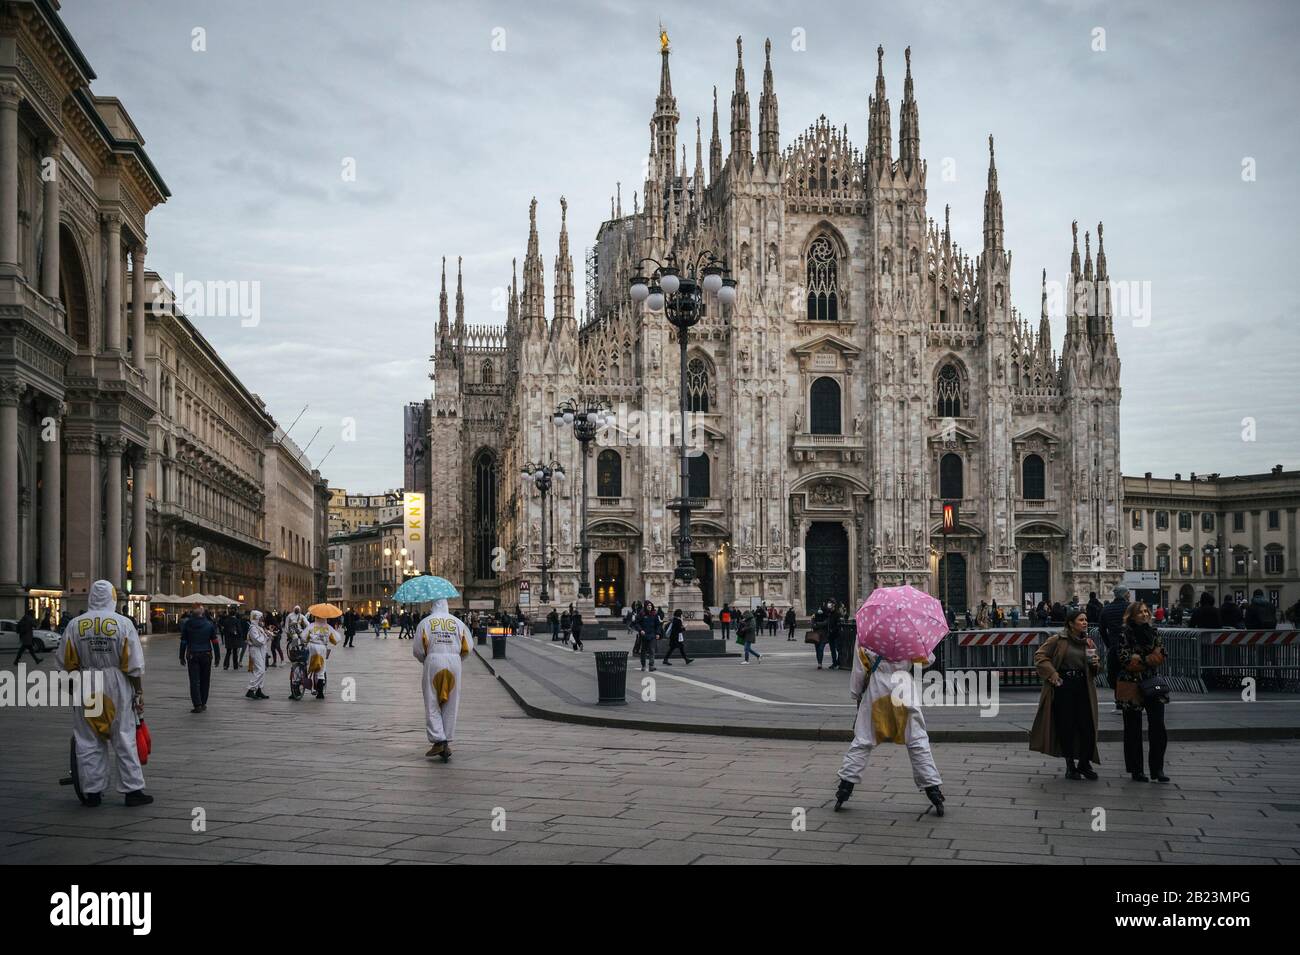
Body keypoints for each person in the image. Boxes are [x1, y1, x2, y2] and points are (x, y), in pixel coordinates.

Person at [60, 580, 153, 807]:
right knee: (123, 736)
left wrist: (73, 689)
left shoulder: (75, 624)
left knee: (88, 739)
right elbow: (133, 664)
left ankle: (92, 792)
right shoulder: (123, 623)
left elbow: (65, 662)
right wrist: (138, 692)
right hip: (117, 682)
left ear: (91, 597)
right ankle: (132, 790)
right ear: (112, 598)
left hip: (87, 681)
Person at [834, 639, 944, 817]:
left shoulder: (867, 632)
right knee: (917, 739)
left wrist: (856, 693)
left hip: (877, 689)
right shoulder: (909, 630)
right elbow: (927, 659)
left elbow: (859, 668)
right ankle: (933, 790)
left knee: (863, 739)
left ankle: (845, 787)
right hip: (903, 688)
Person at [1031, 609, 1102, 780]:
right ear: (1071, 623)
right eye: (1081, 620)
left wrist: (1096, 664)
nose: (1085, 622)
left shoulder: (1089, 643)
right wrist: (1053, 674)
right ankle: (1071, 765)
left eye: (1086, 619)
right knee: (1067, 726)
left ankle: (1084, 763)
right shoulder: (1058, 639)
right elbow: (1040, 656)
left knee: (1088, 727)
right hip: (1064, 685)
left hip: (1083, 685)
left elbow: (1096, 669)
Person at [412, 597, 473, 761]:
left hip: (433, 660)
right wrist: (457, 658)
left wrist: (426, 659)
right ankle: (447, 739)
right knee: (451, 702)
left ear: (433, 606)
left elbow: (418, 649)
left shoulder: (425, 622)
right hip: (454, 662)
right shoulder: (457, 623)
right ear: (446, 606)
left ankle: (438, 739)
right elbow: (468, 647)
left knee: (432, 701)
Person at [1116, 602, 1169, 782]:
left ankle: (1158, 769)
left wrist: (1142, 659)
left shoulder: (1154, 632)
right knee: (1132, 729)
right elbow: (1125, 660)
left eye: (1146, 611)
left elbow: (1161, 655)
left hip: (1153, 684)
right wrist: (1149, 659)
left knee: (1158, 727)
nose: (1145, 614)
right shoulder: (1124, 633)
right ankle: (1136, 770)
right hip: (1130, 685)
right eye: (1140, 612)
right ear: (1131, 615)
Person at [179, 600, 220, 712]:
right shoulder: (209, 624)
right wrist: (217, 657)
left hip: (192, 654)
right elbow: (215, 641)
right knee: (205, 680)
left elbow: (183, 641)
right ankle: (203, 702)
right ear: (203, 613)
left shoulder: (188, 624)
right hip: (206, 654)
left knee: (194, 680)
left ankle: (197, 704)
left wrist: (181, 656)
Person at [1098, 585, 1130, 699]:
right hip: (1130, 646)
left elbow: (1101, 629)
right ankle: (1131, 701)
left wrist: (1109, 644)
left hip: (1114, 646)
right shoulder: (1130, 607)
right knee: (1130, 672)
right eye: (1128, 593)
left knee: (1115, 673)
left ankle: (1118, 703)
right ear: (1125, 594)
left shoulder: (1106, 609)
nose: (1129, 595)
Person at [304, 614, 339, 699]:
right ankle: (320, 693)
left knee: (310, 664)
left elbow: (304, 637)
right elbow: (336, 640)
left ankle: (309, 681)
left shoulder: (311, 626)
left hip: (312, 646)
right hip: (322, 647)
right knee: (321, 669)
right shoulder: (328, 627)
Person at [244, 610, 271, 701]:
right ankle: (251, 689)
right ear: (256, 619)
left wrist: (268, 635)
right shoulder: (253, 628)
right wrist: (266, 637)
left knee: (261, 669)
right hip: (255, 650)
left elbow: (264, 639)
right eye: (260, 618)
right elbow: (258, 641)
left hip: (261, 650)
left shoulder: (259, 627)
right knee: (260, 670)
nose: (262, 620)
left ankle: (259, 689)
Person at [637, 604, 659, 672]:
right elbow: (637, 623)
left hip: (652, 635)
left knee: (652, 650)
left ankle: (651, 666)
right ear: (645, 607)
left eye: (650, 605)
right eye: (648, 605)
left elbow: (658, 625)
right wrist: (641, 630)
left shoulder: (654, 614)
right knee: (643, 651)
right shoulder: (642, 614)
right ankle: (643, 665)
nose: (649, 606)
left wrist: (658, 633)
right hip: (644, 635)